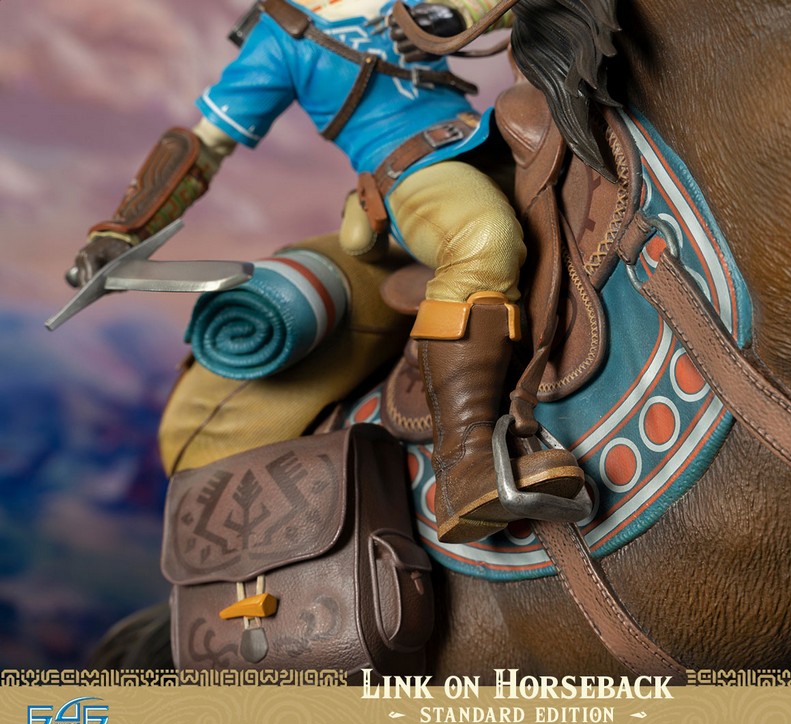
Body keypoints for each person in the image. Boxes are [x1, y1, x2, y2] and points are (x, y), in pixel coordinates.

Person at [70, 0, 587, 543]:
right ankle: (466, 465)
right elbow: (205, 143)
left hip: (493, 136)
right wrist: (123, 229)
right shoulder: (280, 39)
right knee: (484, 237)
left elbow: (507, 6)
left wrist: (457, 13)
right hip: (415, 172)